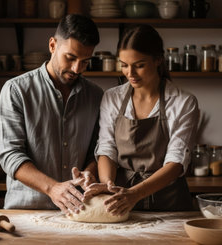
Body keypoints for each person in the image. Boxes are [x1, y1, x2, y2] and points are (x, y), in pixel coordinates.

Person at [85, 24, 199, 216]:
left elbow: (176, 163)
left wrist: (135, 194)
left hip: (169, 202)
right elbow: (107, 148)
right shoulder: (112, 98)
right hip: (120, 200)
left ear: (158, 60)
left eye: (139, 65)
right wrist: (108, 185)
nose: (130, 73)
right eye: (124, 65)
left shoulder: (183, 102)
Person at [0, 14, 103, 214]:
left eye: (85, 62)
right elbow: (10, 155)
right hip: (25, 211)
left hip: (78, 211)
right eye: (70, 58)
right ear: (52, 45)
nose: (76, 69)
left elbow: (96, 151)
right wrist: (52, 188)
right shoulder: (15, 90)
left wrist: (89, 172)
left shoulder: (96, 96)